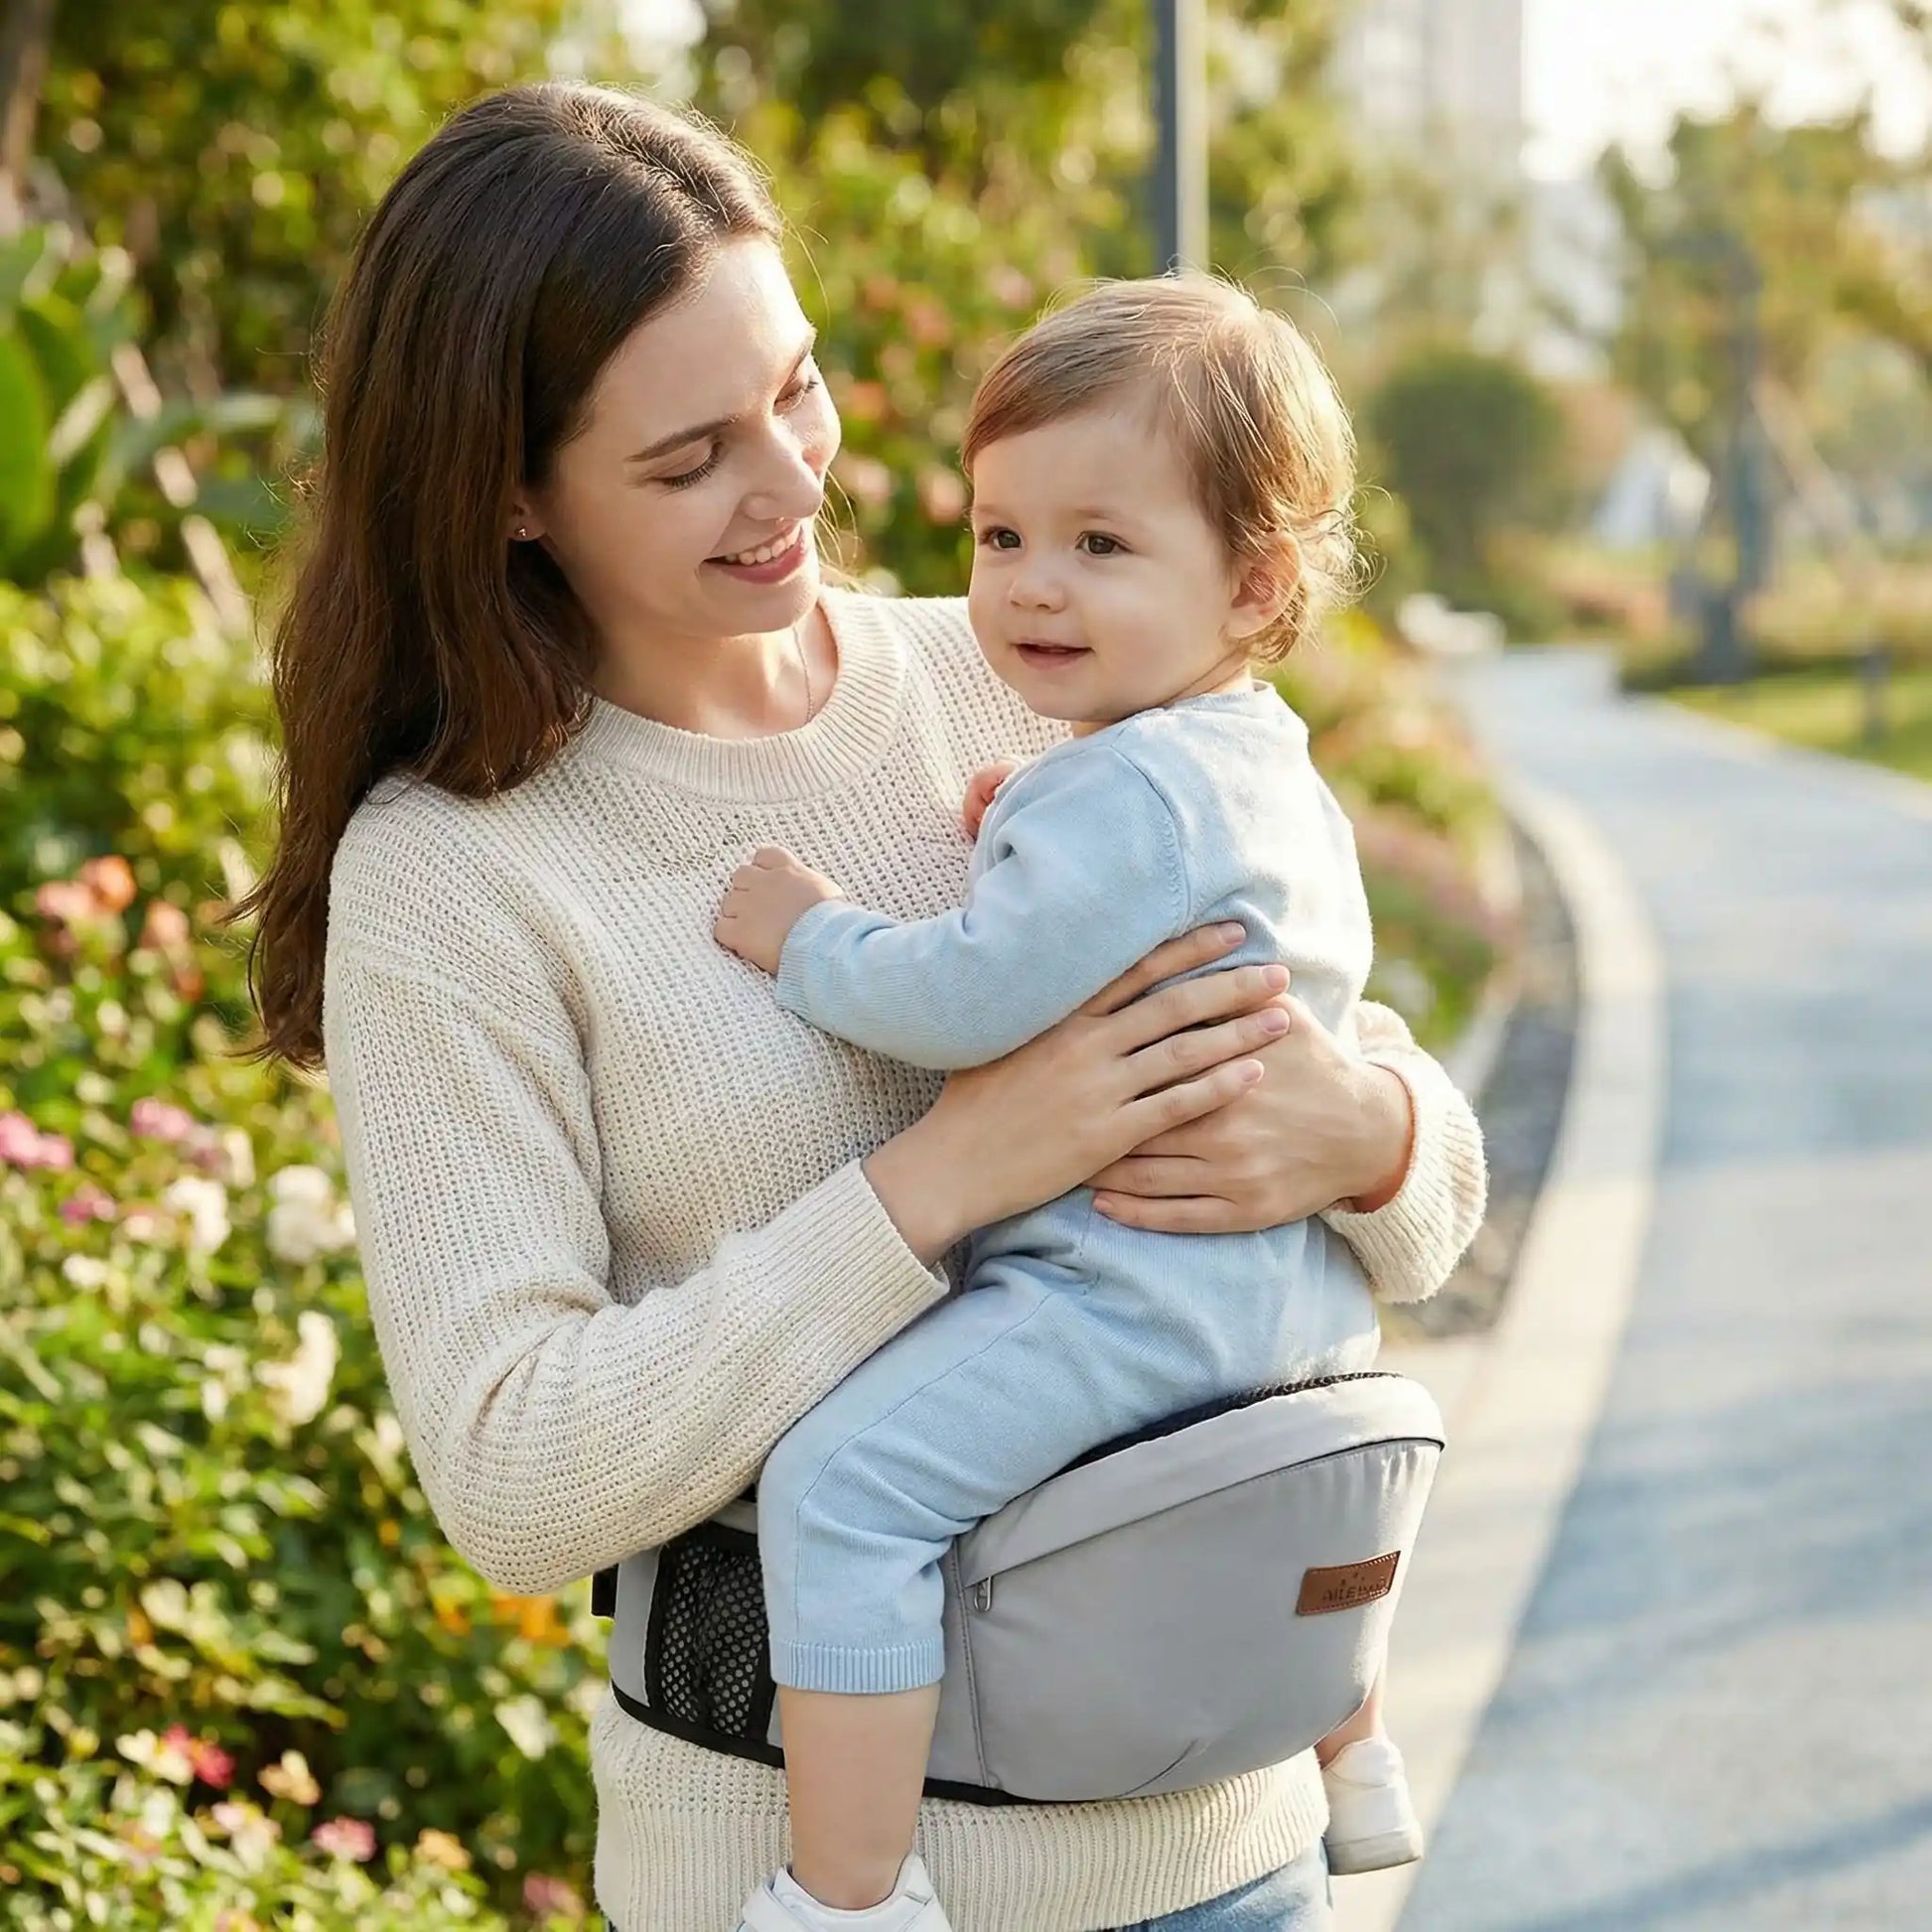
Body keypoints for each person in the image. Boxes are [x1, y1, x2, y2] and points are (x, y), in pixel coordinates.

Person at [247, 82, 1486, 1932]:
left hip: (1227, 1855)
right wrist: (946, 1175)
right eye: (691, 458)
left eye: (798, 387)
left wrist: (1369, 1131)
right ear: (507, 491)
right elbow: (514, 1474)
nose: (795, 483)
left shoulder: (1020, 667)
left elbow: (1386, 1137)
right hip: (790, 1878)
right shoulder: (457, 874)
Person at [715, 276, 1424, 1932]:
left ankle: (847, 1896)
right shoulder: (1255, 756)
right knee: (1275, 1487)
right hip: (1295, 1297)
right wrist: (1035, 830)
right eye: (999, 534)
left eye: (1100, 544)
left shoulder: (1130, 788)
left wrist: (808, 936)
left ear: (1252, 583)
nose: (1031, 584)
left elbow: (968, 994)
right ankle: (1355, 1752)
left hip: (1131, 1288)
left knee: (844, 1488)